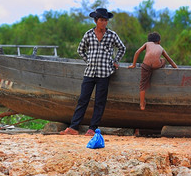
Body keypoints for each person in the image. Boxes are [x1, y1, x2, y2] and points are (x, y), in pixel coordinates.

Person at [60, 8, 126, 136]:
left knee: (99, 102)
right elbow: (80, 50)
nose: (104, 23)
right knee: (83, 99)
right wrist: (88, 60)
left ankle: (92, 128)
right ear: (96, 21)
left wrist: (115, 60)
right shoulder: (89, 34)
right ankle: (73, 127)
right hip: (90, 72)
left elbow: (122, 48)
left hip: (105, 73)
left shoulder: (112, 35)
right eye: (101, 20)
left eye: (106, 20)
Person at [128, 32, 178, 110]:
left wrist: (133, 64)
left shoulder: (147, 44)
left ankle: (142, 104)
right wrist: (177, 69)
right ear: (159, 41)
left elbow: (137, 52)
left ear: (149, 40)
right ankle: (159, 71)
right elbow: (170, 61)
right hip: (156, 65)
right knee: (163, 60)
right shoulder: (160, 47)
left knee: (142, 85)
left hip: (145, 65)